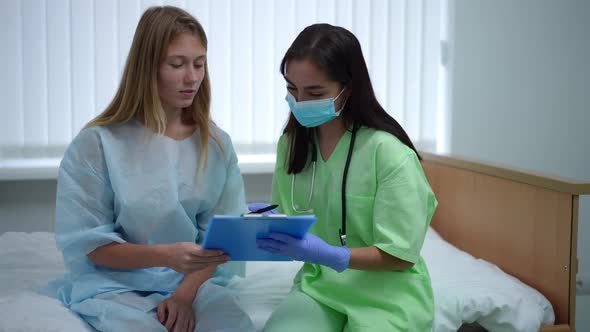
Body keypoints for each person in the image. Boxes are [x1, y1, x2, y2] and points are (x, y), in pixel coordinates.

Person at [44, 6, 256, 332]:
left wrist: (184, 296)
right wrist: (165, 255)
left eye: (199, 64)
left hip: (193, 284)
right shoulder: (98, 144)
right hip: (113, 284)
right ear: (148, 68)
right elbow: (91, 245)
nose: (192, 77)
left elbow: (222, 241)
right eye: (177, 64)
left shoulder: (215, 145)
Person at [254, 23, 438, 331]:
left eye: (314, 92)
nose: (299, 101)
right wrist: (257, 224)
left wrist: (331, 254)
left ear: (348, 88)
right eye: (291, 89)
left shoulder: (388, 154)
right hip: (320, 289)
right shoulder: (292, 146)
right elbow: (287, 217)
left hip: (388, 296)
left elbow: (401, 256)